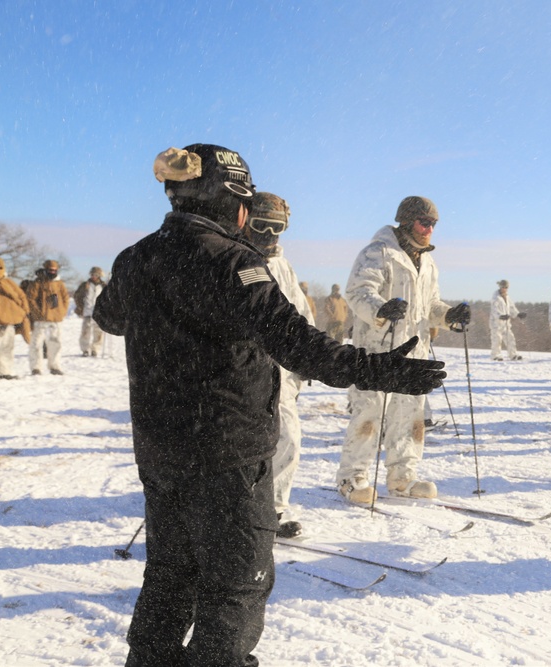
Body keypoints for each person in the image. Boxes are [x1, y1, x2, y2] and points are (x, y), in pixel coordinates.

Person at [94, 144, 445, 666]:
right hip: (227, 457)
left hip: (161, 451)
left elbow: (109, 317)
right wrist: (381, 370)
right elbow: (299, 344)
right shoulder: (233, 263)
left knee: (170, 577)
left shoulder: (137, 257)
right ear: (229, 201)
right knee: (235, 585)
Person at [337, 195, 469, 504]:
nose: (429, 230)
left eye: (434, 224)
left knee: (410, 417)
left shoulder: (428, 261)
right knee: (370, 414)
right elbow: (357, 292)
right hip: (378, 351)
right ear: (407, 222)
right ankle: (351, 478)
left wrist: (448, 316)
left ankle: (402, 477)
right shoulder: (377, 253)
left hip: (414, 352)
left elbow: (430, 305)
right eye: (425, 223)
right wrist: (380, 309)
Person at [242, 192, 313, 539]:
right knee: (243, 448)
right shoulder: (236, 259)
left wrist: (311, 356)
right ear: (245, 222)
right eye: (261, 226)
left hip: (281, 374)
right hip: (241, 375)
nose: (270, 236)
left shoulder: (282, 264)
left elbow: (300, 314)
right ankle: (239, 513)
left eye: (278, 228)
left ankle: (273, 509)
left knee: (288, 440)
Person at [22, 259, 70, 375]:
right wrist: (37, 313)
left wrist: (62, 312)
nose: (52, 272)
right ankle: (36, 367)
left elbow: (65, 299)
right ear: (45, 270)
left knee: (55, 343)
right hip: (40, 320)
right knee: (36, 344)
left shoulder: (60, 284)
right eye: (50, 270)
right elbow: (30, 298)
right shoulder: (37, 283)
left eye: (54, 270)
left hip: (56, 319)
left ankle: (55, 366)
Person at [0, 257, 31, 379]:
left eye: (0, 268)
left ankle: (5, 372)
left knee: (7, 348)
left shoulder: (9, 282)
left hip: (9, 321)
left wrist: (24, 311)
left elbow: (21, 296)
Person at [490, 279, 525, 360]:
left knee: (510, 338)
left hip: (506, 323)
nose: (504, 289)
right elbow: (494, 309)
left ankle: (513, 355)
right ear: (500, 287)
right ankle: (495, 356)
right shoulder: (495, 297)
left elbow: (512, 307)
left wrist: (518, 314)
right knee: (497, 339)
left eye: (506, 287)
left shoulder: (507, 296)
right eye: (503, 287)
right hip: (496, 323)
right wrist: (500, 316)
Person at [74, 266, 106, 357]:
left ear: (99, 275)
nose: (93, 276)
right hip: (87, 311)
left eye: (95, 274)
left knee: (98, 332)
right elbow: (77, 296)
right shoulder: (85, 285)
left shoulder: (103, 286)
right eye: (92, 274)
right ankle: (85, 349)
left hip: (99, 313)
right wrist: (80, 307)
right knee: (85, 332)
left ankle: (95, 349)